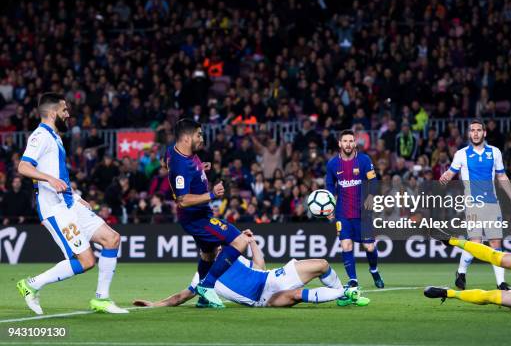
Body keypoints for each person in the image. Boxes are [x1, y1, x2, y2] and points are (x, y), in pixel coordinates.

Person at [16, 93, 127, 314]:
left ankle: (102, 299)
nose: (68, 114)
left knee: (112, 239)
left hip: (69, 203)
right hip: (54, 209)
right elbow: (23, 167)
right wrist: (49, 179)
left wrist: (75, 196)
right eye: (64, 110)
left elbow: (59, 175)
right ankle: (31, 284)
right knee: (86, 261)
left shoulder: (55, 137)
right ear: (52, 112)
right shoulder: (40, 136)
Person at [133, 231, 366, 308]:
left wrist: (252, 242)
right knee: (295, 295)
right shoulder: (202, 275)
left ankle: (344, 297)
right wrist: (155, 304)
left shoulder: (232, 257)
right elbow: (181, 296)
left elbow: (260, 267)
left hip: (272, 278)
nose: (215, 249)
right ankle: (345, 293)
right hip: (266, 298)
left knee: (322, 264)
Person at [166, 118, 250, 308]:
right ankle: (207, 285)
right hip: (197, 219)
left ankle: (204, 299)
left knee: (208, 254)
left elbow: (171, 165)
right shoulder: (182, 166)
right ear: (187, 138)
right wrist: (212, 194)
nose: (202, 138)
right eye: (199, 134)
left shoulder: (175, 152)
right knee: (240, 241)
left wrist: (198, 169)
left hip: (198, 216)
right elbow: (183, 200)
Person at [439, 119, 511, 290]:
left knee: (495, 242)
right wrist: (445, 176)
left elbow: (501, 176)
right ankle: (461, 272)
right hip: (472, 203)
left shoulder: (495, 152)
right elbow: (451, 172)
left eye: (479, 130)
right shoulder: (461, 154)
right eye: (473, 130)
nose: (476, 133)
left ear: (484, 133)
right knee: (476, 242)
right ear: (469, 134)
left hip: (493, 204)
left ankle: (500, 283)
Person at [325, 129, 383, 305]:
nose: (348, 144)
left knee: (369, 247)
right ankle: (353, 280)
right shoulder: (333, 164)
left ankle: (374, 270)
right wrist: (330, 208)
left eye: (351, 141)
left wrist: (371, 196)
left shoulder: (364, 160)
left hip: (363, 212)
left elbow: (373, 181)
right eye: (345, 141)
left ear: (355, 143)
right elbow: (330, 186)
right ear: (339, 144)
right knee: (346, 244)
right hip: (343, 212)